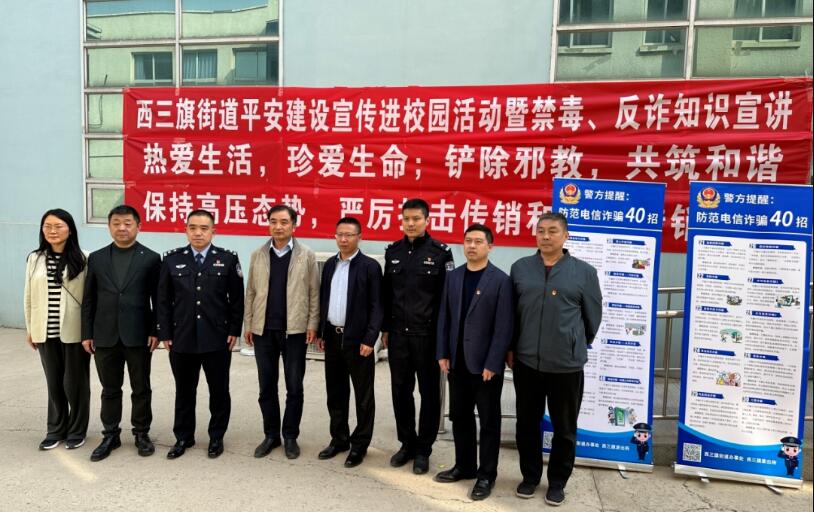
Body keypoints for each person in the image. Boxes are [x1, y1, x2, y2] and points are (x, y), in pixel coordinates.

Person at [509, 212, 602, 506]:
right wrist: (512, 348)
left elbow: (592, 318)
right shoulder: (521, 268)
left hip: (566, 365)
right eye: (541, 231)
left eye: (552, 231)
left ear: (565, 236)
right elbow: (512, 314)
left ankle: (558, 482)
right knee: (526, 424)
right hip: (527, 362)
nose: (545, 236)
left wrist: (574, 343)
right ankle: (530, 477)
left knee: (564, 428)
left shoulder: (584, 272)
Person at [157, 210, 244, 460]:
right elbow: (162, 300)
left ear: (213, 231)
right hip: (181, 337)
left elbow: (237, 300)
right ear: (186, 230)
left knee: (219, 390)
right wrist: (165, 332)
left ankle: (216, 436)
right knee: (184, 390)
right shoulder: (172, 259)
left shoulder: (227, 259)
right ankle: (183, 436)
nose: (198, 233)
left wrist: (234, 330)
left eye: (204, 228)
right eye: (193, 227)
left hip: (217, 337)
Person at [435, 224, 513, 500]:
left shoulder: (500, 280)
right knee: (460, 417)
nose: (472, 246)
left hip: (485, 366)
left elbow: (504, 326)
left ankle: (486, 474)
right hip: (457, 362)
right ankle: (465, 465)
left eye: (478, 241)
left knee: (489, 421)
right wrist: (442, 352)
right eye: (468, 240)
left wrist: (493, 362)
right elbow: (444, 317)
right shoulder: (454, 277)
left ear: (490, 247)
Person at [81, 204, 161, 462]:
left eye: (128, 223)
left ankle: (141, 433)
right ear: (109, 226)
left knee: (141, 388)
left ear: (139, 226)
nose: (122, 228)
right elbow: (89, 298)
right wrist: (87, 333)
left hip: (138, 334)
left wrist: (155, 330)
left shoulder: (151, 258)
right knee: (109, 389)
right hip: (104, 335)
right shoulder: (97, 258)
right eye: (116, 223)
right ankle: (110, 435)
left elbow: (158, 299)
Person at [381, 198, 453, 474]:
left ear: (427, 221)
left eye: (416, 219)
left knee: (429, 394)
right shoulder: (393, 252)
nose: (410, 224)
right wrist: (385, 329)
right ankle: (407, 443)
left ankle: (424, 450)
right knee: (400, 391)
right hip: (398, 335)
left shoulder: (440, 253)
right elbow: (387, 294)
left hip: (427, 336)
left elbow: (446, 300)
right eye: (406, 219)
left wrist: (443, 339)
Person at [244, 204, 319, 460]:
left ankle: (290, 436)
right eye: (273, 221)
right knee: (266, 386)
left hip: (295, 331)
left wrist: (312, 324)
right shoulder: (258, 254)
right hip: (263, 330)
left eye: (284, 222)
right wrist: (249, 324)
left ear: (293, 225)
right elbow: (251, 292)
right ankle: (270, 435)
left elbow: (314, 292)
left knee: (294, 386)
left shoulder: (306, 255)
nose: (278, 226)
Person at [316, 217, 382, 468]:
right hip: (333, 337)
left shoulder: (369, 267)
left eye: (349, 235)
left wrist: (370, 338)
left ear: (359, 237)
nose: (343, 239)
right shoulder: (330, 265)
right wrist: (322, 332)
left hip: (358, 340)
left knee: (363, 396)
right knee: (335, 392)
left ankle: (360, 444)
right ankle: (339, 439)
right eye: (339, 235)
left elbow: (377, 306)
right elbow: (324, 299)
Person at [24, 209, 90, 451]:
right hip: (45, 331)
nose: (52, 231)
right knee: (54, 383)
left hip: (74, 333)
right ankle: (55, 430)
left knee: (75, 384)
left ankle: (77, 431)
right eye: (47, 226)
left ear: (70, 229)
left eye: (58, 226)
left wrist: (89, 333)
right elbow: (28, 296)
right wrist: (30, 328)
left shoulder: (84, 258)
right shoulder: (35, 259)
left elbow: (89, 300)